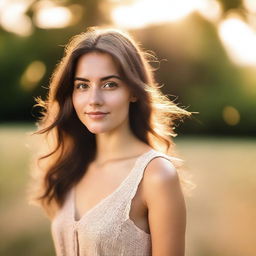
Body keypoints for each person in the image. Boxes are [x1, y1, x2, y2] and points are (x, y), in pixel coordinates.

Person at [28, 26, 193, 256]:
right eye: (82, 86)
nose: (94, 100)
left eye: (109, 84)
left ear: (133, 92)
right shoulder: (71, 166)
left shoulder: (156, 175)